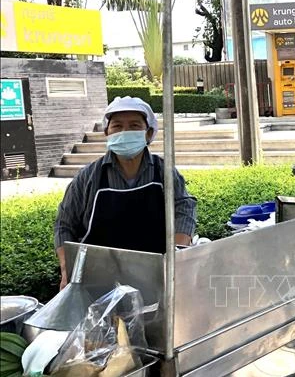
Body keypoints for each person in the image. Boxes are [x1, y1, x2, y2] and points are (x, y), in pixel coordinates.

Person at [54, 96, 197, 289]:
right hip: (98, 279)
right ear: (107, 132)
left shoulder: (164, 172)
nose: (125, 132)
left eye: (134, 125)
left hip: (156, 275)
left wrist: (177, 256)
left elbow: (184, 210)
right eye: (117, 126)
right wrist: (67, 270)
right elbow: (64, 225)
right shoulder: (88, 177)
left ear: (149, 133)